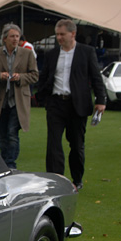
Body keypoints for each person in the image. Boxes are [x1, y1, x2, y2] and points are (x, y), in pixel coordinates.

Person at [35, 19, 106, 191]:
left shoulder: (86, 52)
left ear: (72, 34)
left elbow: (96, 77)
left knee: (76, 144)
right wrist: (41, 95)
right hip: (56, 103)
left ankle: (77, 179)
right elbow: (44, 76)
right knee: (53, 144)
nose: (59, 38)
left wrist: (101, 100)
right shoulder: (52, 54)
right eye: (57, 34)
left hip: (77, 105)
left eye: (62, 34)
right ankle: (55, 179)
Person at [0, 23, 38, 169]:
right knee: (2, 134)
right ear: (5, 38)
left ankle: (10, 164)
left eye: (17, 36)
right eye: (12, 36)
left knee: (12, 133)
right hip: (0, 101)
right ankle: (3, 163)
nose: (15, 39)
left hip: (17, 101)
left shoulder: (27, 54)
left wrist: (20, 77)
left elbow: (34, 76)